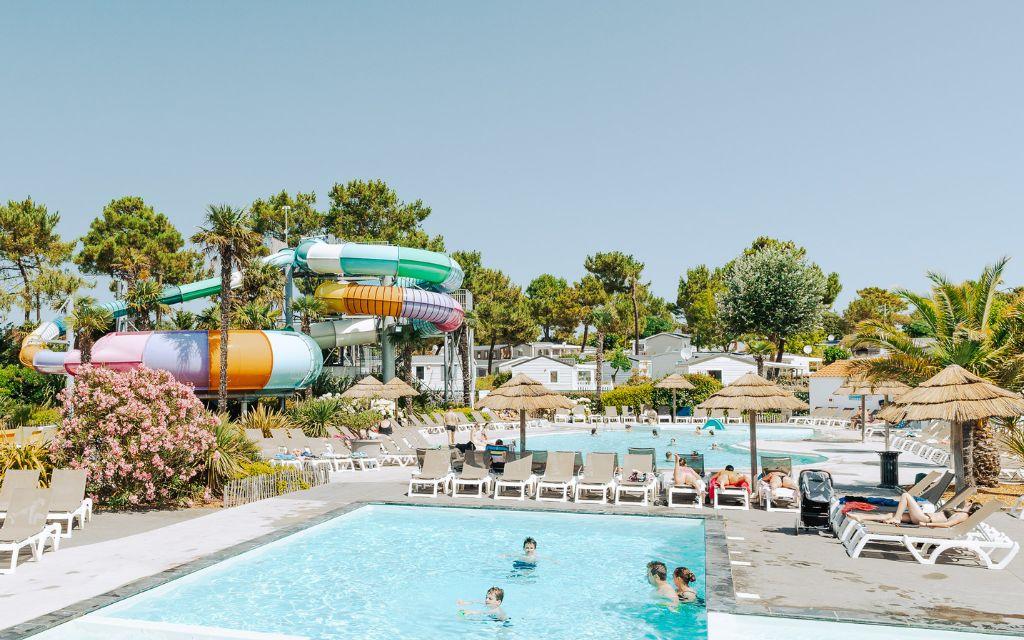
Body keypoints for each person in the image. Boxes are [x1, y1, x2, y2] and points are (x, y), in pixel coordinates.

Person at [849, 492, 981, 527]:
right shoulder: (960, 512)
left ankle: (896, 518)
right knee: (890, 514)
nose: (967, 502)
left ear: (970, 507)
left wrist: (926, 524)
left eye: (969, 503)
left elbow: (947, 525)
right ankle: (862, 517)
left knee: (906, 496)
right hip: (922, 516)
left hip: (924, 519)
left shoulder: (963, 516)